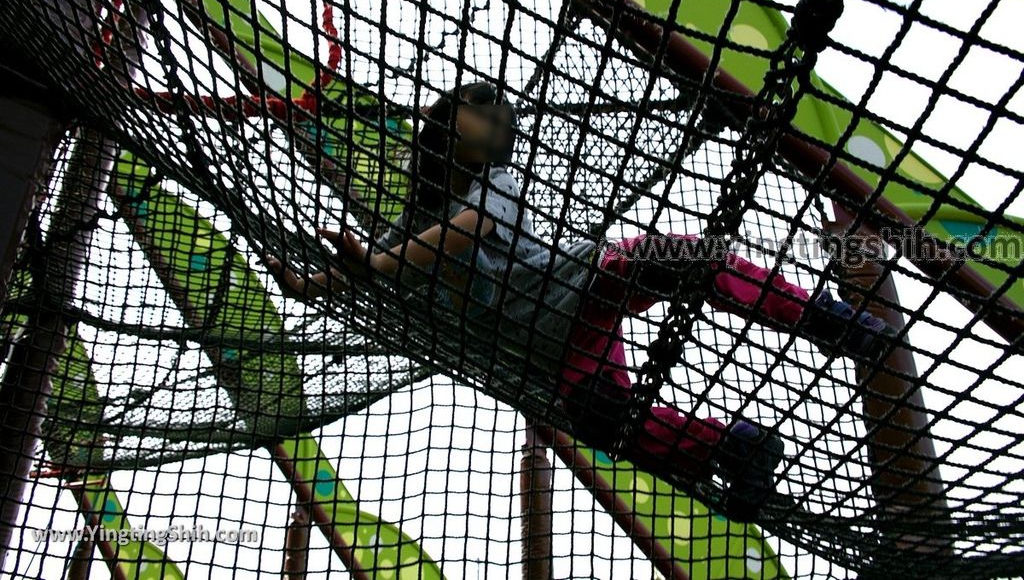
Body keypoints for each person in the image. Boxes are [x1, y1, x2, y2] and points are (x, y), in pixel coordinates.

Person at [265, 80, 893, 522]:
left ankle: (822, 317)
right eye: (479, 111)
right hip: (554, 349)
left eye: (500, 118)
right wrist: (306, 285)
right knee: (604, 419)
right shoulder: (411, 225)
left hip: (580, 281)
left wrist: (376, 263)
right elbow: (365, 268)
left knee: (689, 258)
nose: (495, 122)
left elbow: (468, 229)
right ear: (442, 125)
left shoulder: (493, 183)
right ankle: (734, 446)